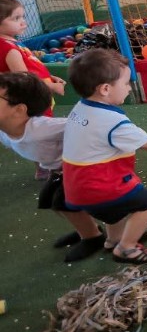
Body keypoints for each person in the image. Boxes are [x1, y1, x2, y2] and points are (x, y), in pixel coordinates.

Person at [62, 49, 147, 264]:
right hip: (99, 186)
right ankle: (126, 247)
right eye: (126, 83)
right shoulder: (111, 121)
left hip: (77, 186)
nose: (130, 88)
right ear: (104, 89)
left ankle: (113, 239)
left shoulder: (80, 108)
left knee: (116, 209)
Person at [0, 72, 106, 262]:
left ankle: (93, 237)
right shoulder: (4, 130)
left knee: (63, 202)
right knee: (50, 200)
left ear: (19, 110)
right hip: (57, 170)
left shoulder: (41, 128)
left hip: (80, 168)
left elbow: (85, 125)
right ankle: (86, 228)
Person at [0, 0, 67, 103]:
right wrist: (51, 86)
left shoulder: (12, 42)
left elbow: (30, 68)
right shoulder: (10, 50)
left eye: (22, 17)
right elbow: (24, 81)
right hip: (31, 102)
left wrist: (49, 77)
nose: (23, 22)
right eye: (16, 18)